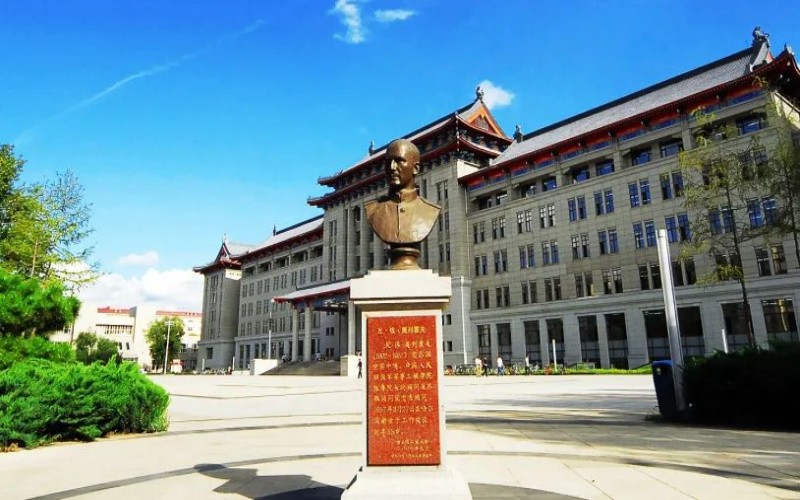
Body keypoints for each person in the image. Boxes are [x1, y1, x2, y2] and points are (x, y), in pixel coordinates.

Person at [364, 139, 441, 270]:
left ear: (415, 168)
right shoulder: (373, 209)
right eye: (388, 162)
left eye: (399, 161)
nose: (392, 167)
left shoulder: (431, 210)